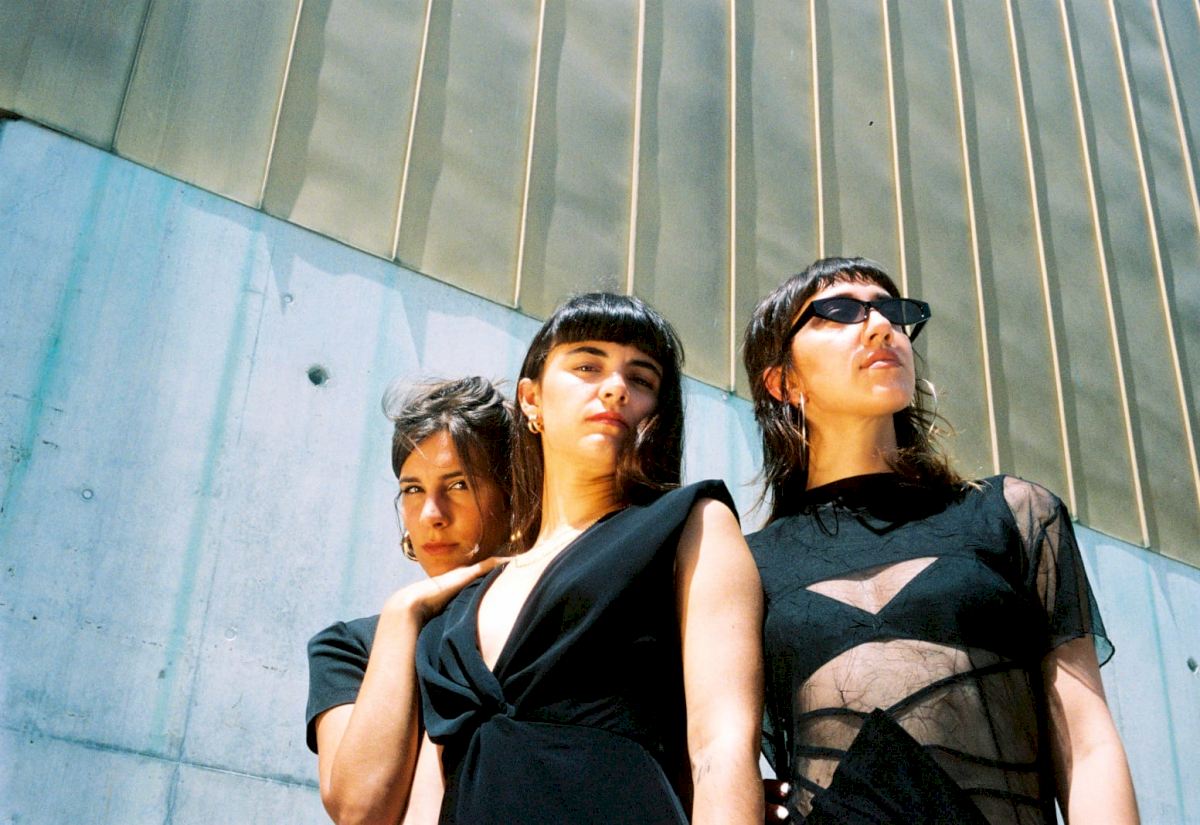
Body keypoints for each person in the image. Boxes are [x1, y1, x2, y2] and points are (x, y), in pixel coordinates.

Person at [742, 257, 1138, 824]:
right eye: (841, 311)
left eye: (893, 312)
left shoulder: (1013, 514)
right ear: (783, 382)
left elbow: (1088, 742)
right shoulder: (747, 566)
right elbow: (712, 750)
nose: (882, 327)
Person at [413, 293, 765, 824]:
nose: (616, 387)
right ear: (531, 399)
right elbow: (427, 796)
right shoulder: (466, 600)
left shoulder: (692, 524)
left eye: (641, 378)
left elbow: (722, 749)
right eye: (587, 366)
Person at [305, 376, 514, 824]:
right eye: (413, 489)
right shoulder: (347, 647)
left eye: (458, 485)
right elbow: (360, 809)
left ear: (512, 494)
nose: (431, 514)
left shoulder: (536, 617)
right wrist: (403, 613)